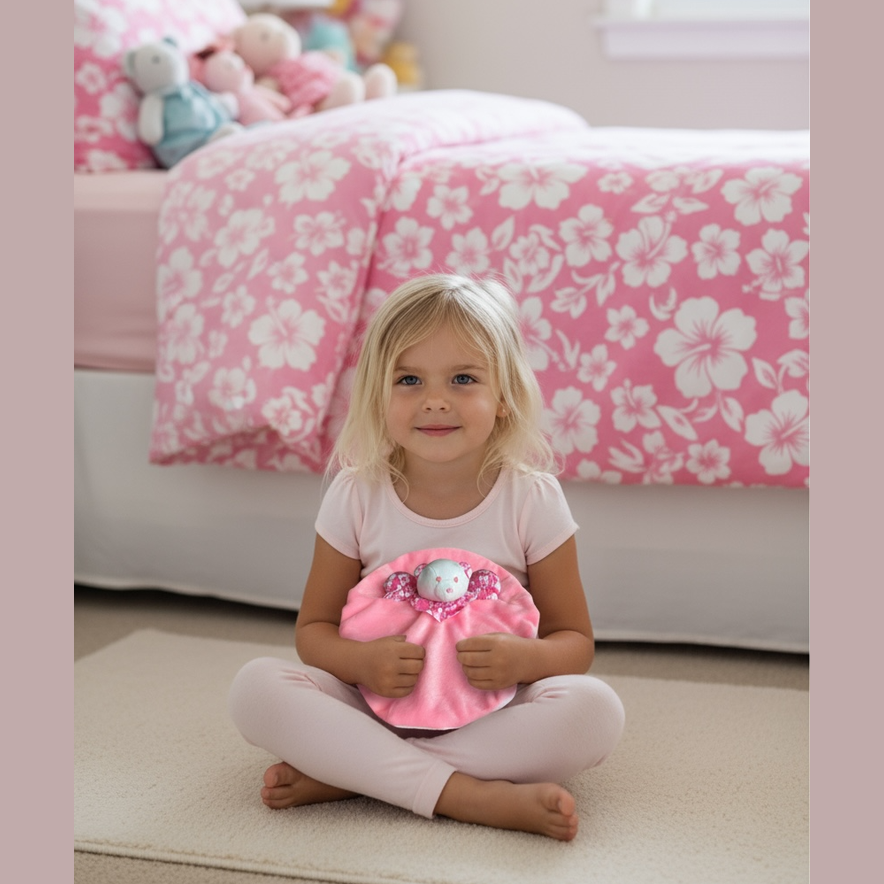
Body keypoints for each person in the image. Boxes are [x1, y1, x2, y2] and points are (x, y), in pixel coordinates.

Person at [228, 273, 625, 841]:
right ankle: (468, 795)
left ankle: (356, 773)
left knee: (596, 709)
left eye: (463, 378)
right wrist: (361, 664)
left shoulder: (531, 498)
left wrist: (523, 660)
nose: (435, 400)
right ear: (377, 395)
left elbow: (575, 643)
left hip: (493, 713)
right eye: (408, 379)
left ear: (505, 396)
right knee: (255, 687)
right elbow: (313, 633)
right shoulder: (356, 494)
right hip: (372, 704)